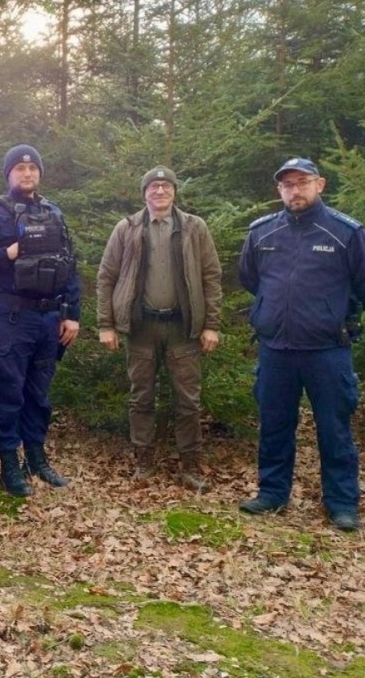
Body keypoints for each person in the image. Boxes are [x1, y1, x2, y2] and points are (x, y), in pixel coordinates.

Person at [237, 157, 365, 531]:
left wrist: (336, 311)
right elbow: (250, 278)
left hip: (327, 351)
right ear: (279, 190)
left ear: (319, 185)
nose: (295, 190)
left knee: (334, 428)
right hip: (276, 349)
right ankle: (273, 493)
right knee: (274, 424)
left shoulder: (345, 232)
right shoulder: (262, 233)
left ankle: (341, 503)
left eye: (302, 182)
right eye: (287, 184)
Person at [0, 144, 81, 496]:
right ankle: (9, 465)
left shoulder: (52, 212)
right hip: (10, 316)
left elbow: (69, 264)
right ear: (9, 174)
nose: (27, 174)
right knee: (9, 392)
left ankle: (37, 459)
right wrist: (5, 253)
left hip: (49, 318)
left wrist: (72, 315)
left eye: (33, 168)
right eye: (20, 168)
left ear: (39, 173)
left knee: (38, 394)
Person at [96, 166, 223, 489]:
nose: (160, 192)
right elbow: (106, 277)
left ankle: (190, 468)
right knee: (141, 398)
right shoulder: (127, 229)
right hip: (141, 327)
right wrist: (106, 324)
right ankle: (143, 463)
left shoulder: (195, 228)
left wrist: (211, 325)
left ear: (175, 192)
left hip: (183, 328)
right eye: (153, 187)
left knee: (188, 401)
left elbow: (211, 277)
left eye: (166, 186)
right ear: (144, 194)